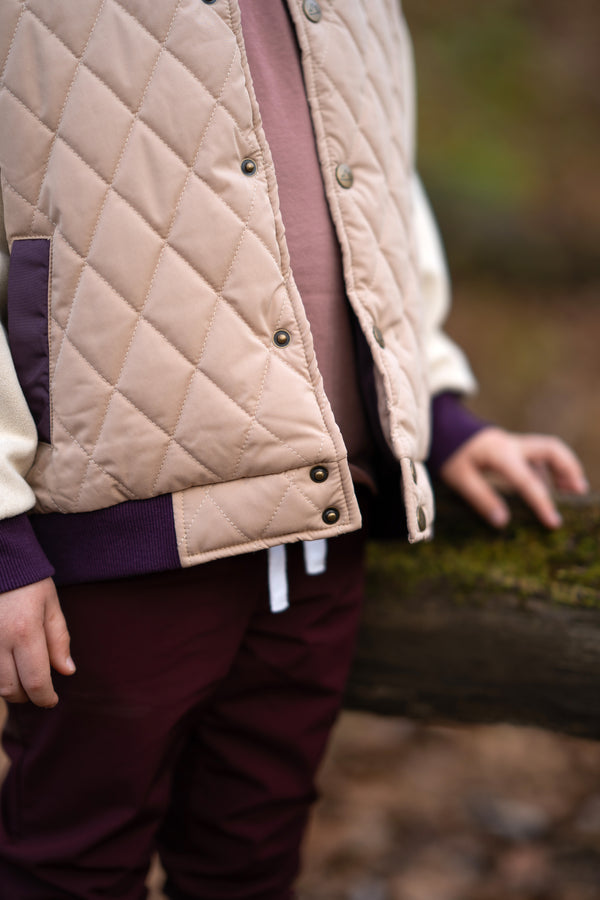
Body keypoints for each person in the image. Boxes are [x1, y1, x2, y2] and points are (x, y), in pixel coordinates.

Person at [0, 1, 587, 898]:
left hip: (325, 526)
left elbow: (379, 193)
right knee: (74, 864)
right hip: (117, 536)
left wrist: (433, 404)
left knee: (254, 858)